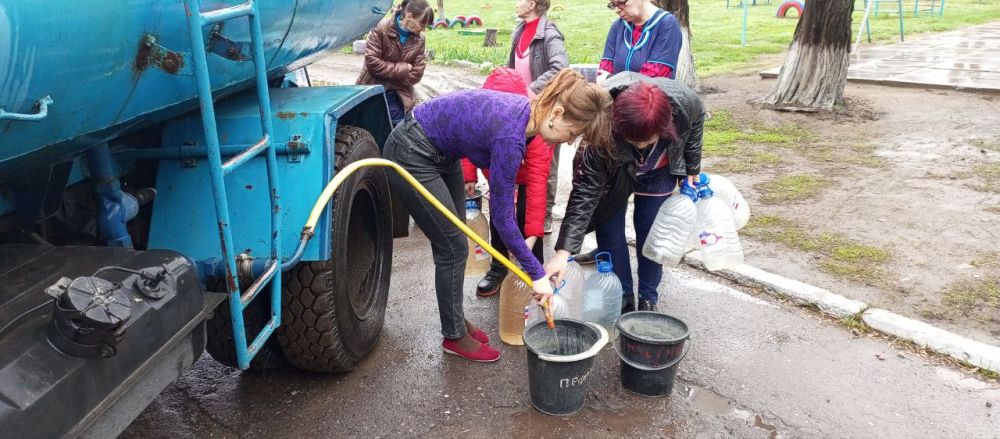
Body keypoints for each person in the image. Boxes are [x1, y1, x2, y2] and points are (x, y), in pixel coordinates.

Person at [383, 69, 612, 362]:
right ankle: (453, 336)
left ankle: (455, 320)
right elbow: (503, 219)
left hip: (443, 151)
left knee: (457, 238)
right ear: (556, 112)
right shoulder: (511, 136)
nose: (569, 142)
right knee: (452, 246)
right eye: (573, 133)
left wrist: (534, 265)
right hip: (412, 152)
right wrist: (537, 274)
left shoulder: (527, 116)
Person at [544, 72, 704, 313]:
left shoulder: (684, 103)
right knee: (608, 229)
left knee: (652, 233)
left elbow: (695, 124)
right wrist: (563, 251)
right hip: (615, 169)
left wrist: (692, 166)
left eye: (647, 140)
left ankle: (649, 296)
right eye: (633, 140)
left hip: (658, 171)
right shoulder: (602, 127)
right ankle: (623, 294)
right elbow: (585, 193)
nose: (640, 146)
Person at [460, 68, 552, 297]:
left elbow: (538, 188)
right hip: (498, 175)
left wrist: (531, 235)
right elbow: (464, 142)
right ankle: (499, 266)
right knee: (499, 216)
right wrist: (469, 175)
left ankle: (536, 268)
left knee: (526, 215)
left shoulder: (536, 132)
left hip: (525, 178)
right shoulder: (479, 120)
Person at [508, 0, 570, 234]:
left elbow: (561, 68)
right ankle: (521, 212)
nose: (516, 3)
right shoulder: (519, 30)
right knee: (519, 158)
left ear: (532, 3)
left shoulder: (550, 34)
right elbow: (512, 67)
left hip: (544, 108)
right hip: (521, 108)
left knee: (545, 165)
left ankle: (544, 215)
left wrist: (531, 89)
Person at [357, 0, 435, 126]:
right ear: (409, 16)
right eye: (422, 24)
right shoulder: (381, 28)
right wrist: (404, 69)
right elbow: (372, 63)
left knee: (399, 134)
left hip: (399, 95)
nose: (423, 30)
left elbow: (417, 73)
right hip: (372, 90)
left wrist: (387, 75)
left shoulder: (420, 39)